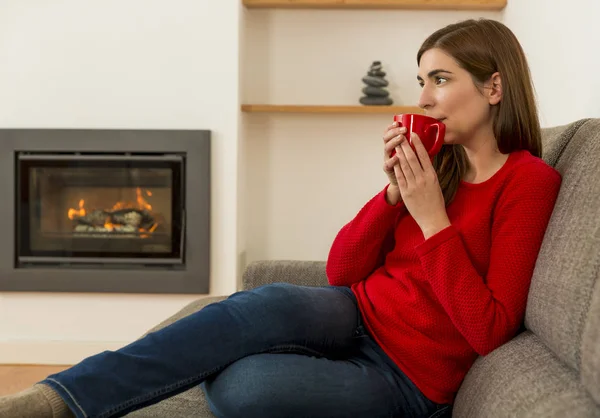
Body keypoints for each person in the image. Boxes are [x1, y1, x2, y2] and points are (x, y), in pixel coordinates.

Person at [0, 18, 562, 418]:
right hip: (355, 313)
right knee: (254, 305)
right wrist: (393, 194)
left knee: (242, 388)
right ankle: (56, 399)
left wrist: (433, 220)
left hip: (411, 376)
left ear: (493, 86)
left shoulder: (527, 181)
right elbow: (344, 270)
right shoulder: (432, 168)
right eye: (422, 81)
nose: (425, 98)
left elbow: (489, 330)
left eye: (441, 79)